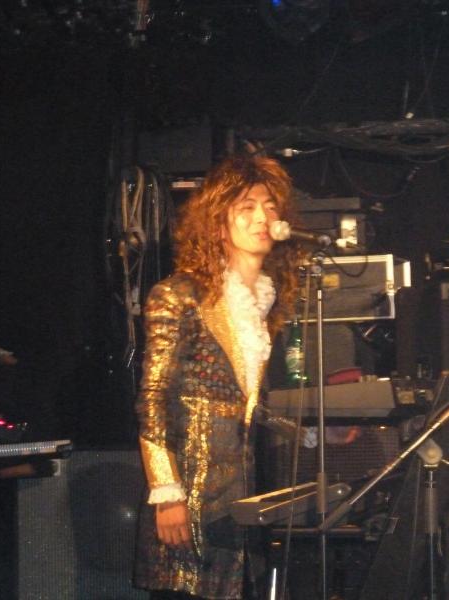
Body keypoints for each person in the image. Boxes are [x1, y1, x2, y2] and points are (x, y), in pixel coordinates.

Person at [133, 154, 303, 600]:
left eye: (270, 207)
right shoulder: (178, 295)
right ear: (218, 223)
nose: (262, 218)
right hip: (190, 488)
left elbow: (249, 403)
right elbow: (153, 397)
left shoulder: (266, 304)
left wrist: (303, 430)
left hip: (241, 494)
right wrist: (166, 492)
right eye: (247, 207)